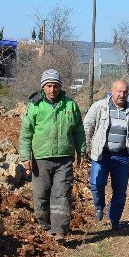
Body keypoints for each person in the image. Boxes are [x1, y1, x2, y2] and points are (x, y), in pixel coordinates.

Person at [19, 69, 85, 242]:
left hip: (64, 157)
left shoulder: (70, 105)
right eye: (49, 86)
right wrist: (25, 157)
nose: (52, 89)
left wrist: (82, 151)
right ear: (43, 87)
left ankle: (60, 230)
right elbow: (26, 132)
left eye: (55, 86)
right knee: (41, 194)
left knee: (61, 194)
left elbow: (79, 131)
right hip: (41, 158)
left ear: (60, 87)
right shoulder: (35, 105)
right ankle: (45, 226)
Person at [83, 79, 129, 231]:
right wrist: (84, 147)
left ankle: (115, 220)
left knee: (120, 190)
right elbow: (87, 126)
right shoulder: (99, 107)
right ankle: (99, 206)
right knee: (96, 184)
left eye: (124, 92)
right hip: (101, 155)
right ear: (112, 91)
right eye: (118, 91)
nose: (121, 95)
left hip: (122, 156)